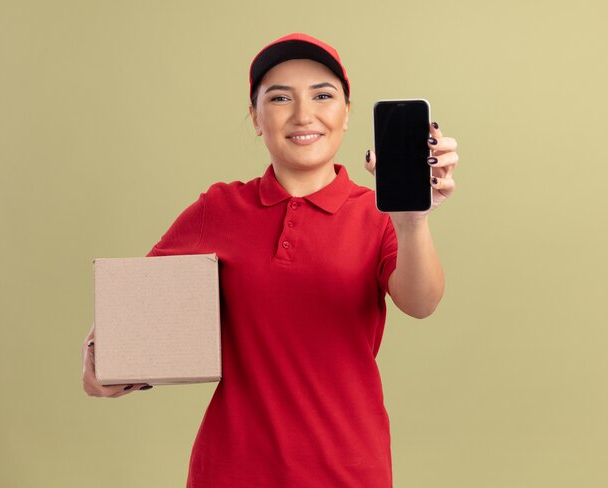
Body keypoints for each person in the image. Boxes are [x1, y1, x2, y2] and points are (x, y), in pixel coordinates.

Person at [82, 32, 458, 487]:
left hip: (349, 471)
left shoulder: (376, 214)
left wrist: (411, 219)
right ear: (256, 118)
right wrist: (101, 362)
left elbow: (421, 303)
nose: (304, 114)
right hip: (230, 471)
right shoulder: (219, 209)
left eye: (323, 95)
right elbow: (135, 312)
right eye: (280, 98)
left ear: (346, 114)